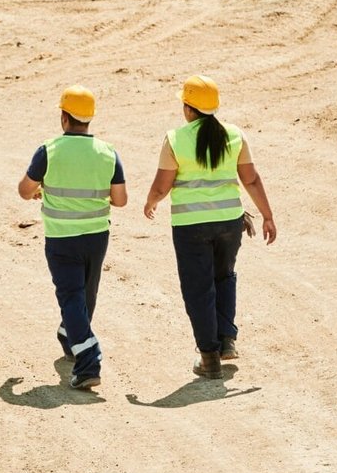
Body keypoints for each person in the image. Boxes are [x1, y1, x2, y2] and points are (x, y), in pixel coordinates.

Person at [141, 75, 277, 379]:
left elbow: (163, 185)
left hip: (191, 226)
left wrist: (151, 202)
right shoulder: (234, 135)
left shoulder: (176, 138)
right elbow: (251, 179)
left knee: (197, 287)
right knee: (224, 276)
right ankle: (226, 338)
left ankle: (209, 358)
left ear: (188, 108)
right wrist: (267, 215)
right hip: (230, 222)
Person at [18, 86, 128, 390]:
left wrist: (42, 190)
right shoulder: (108, 152)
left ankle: (88, 359)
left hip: (62, 238)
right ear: (88, 120)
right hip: (96, 237)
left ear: (64, 117)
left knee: (71, 296)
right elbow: (120, 200)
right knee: (85, 295)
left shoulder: (49, 150)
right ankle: (71, 336)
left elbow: (25, 190)